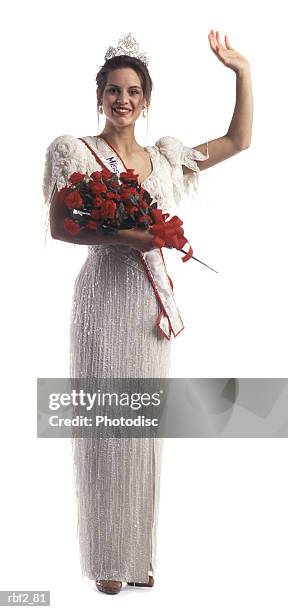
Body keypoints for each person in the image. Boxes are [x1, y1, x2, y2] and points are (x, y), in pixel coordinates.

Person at [42, 31, 253, 595]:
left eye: (134, 91)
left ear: (147, 99)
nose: (123, 100)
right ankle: (106, 559)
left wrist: (242, 71)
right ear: (100, 96)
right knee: (105, 429)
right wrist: (128, 236)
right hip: (102, 302)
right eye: (114, 90)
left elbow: (239, 140)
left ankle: (136, 555)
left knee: (140, 430)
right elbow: (63, 227)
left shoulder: (163, 159)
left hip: (148, 314)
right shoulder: (74, 150)